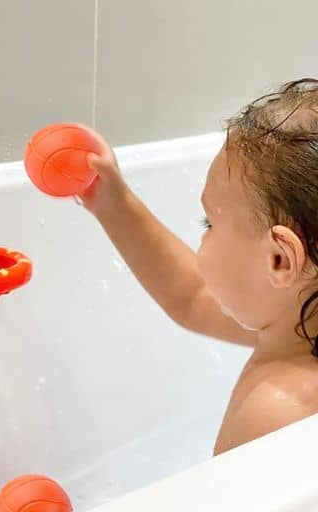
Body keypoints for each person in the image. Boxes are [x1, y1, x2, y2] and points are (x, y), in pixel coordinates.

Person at [78, 78, 318, 455]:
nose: (203, 238)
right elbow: (191, 297)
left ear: (279, 260)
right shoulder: (299, 331)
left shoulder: (275, 412)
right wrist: (113, 203)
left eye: (209, 223)